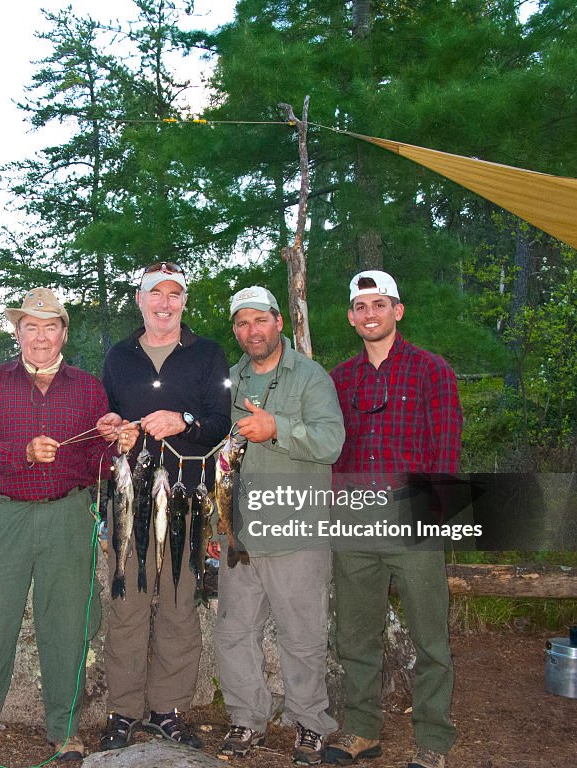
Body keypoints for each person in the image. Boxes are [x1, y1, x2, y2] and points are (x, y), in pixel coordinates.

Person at [0, 288, 111, 767]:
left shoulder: (87, 387)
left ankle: (66, 730)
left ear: (63, 332)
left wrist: (117, 438)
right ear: (17, 332)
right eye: (30, 326)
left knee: (68, 622)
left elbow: (99, 459)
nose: (40, 336)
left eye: (50, 326)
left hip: (69, 514)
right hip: (6, 515)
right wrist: (20, 454)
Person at [323, 271, 461, 768]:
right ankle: (361, 729)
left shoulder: (431, 370)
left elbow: (446, 450)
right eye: (361, 307)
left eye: (378, 304)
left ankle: (434, 739)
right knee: (355, 636)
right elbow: (331, 452)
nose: (370, 314)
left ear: (397, 311)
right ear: (351, 317)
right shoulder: (340, 378)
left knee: (430, 636)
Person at [95, 262, 232, 752]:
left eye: (175, 295)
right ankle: (124, 711)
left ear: (184, 303)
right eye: (157, 294)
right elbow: (104, 418)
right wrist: (112, 426)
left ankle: (167, 711)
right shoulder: (118, 357)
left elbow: (222, 422)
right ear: (141, 300)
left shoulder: (209, 355)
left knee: (178, 603)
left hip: (188, 497)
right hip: (130, 497)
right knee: (127, 603)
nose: (166, 303)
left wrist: (185, 419)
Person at [214, 286, 345, 765]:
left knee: (302, 634)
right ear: (236, 330)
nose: (253, 331)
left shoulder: (311, 378)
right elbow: (218, 461)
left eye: (260, 320)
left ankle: (310, 724)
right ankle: (247, 718)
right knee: (232, 632)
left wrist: (278, 430)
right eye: (242, 323)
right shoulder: (228, 381)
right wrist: (216, 530)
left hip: (297, 529)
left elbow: (331, 441)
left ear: (278, 322)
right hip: (240, 534)